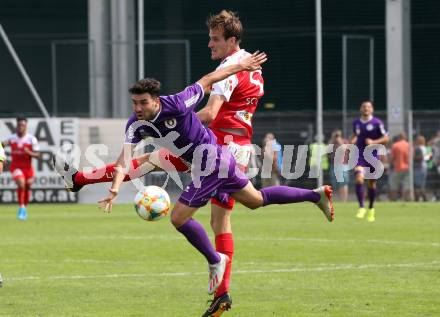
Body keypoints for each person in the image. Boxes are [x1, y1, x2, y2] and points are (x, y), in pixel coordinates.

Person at [54, 10, 266, 315]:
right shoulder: (248, 65)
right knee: (149, 161)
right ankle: (79, 179)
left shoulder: (232, 67)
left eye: (215, 39)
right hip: (228, 145)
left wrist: (173, 121)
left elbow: (211, 112)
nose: (209, 44)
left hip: (221, 149)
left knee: (220, 217)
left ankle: (222, 292)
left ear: (231, 41)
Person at [94, 53, 334, 309]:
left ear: (155, 100)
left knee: (178, 218)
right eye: (134, 103)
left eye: (143, 103)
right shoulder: (135, 125)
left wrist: (240, 66)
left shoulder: (177, 102)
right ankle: (316, 195)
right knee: (256, 200)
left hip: (212, 163)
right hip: (218, 162)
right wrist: (114, 189)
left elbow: (209, 79)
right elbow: (123, 160)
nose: (138, 108)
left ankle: (214, 260)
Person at [350, 100, 389, 222]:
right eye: (364, 107)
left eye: (368, 107)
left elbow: (386, 138)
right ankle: (361, 207)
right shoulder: (356, 123)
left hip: (372, 157)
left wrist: (373, 142)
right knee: (359, 179)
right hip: (360, 155)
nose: (366, 108)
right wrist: (351, 142)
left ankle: (371, 209)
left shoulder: (377, 123)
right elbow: (356, 135)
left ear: (372, 109)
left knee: (371, 183)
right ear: (361, 109)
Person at [2, 117, 41, 220]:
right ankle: (21, 207)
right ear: (16, 126)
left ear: (26, 126)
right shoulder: (12, 138)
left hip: (28, 169)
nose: (20, 127)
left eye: (22, 125)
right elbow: (1, 145)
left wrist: (29, 152)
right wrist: (2, 157)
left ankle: (24, 208)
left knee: (27, 186)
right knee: (21, 183)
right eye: (19, 125)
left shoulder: (31, 139)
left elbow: (38, 155)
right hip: (16, 167)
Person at [388, 132, 411, 201]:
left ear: (399, 137)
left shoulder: (395, 145)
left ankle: (393, 199)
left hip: (398, 167)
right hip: (408, 167)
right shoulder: (409, 145)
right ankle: (407, 199)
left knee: (394, 185)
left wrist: (390, 164)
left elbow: (392, 158)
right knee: (407, 185)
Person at [328, 129, 349, 201]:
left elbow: (345, 148)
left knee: (344, 182)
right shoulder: (332, 142)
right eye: (336, 135)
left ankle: (344, 199)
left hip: (343, 165)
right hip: (334, 165)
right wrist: (332, 138)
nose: (337, 136)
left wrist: (340, 141)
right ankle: (339, 200)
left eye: (338, 135)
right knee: (335, 183)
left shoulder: (344, 141)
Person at [413, 135, 430, 201]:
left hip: (418, 167)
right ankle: (424, 198)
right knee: (422, 184)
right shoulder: (427, 148)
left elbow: (414, 158)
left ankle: (419, 198)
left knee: (417, 185)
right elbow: (429, 160)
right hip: (425, 167)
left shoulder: (416, 148)